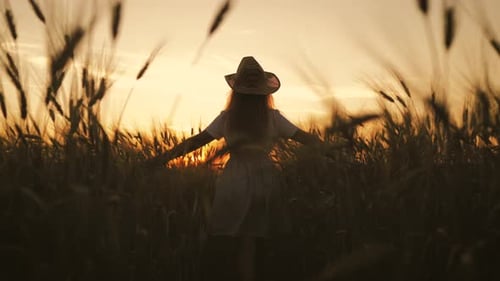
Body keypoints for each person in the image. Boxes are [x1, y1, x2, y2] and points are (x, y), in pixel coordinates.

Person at [149, 56, 320, 281]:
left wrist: (161, 158)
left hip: (234, 181)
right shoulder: (273, 118)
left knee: (231, 240)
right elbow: (304, 138)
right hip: (264, 179)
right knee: (255, 240)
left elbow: (196, 142)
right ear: (264, 93)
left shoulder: (228, 118)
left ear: (236, 92)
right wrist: (337, 147)